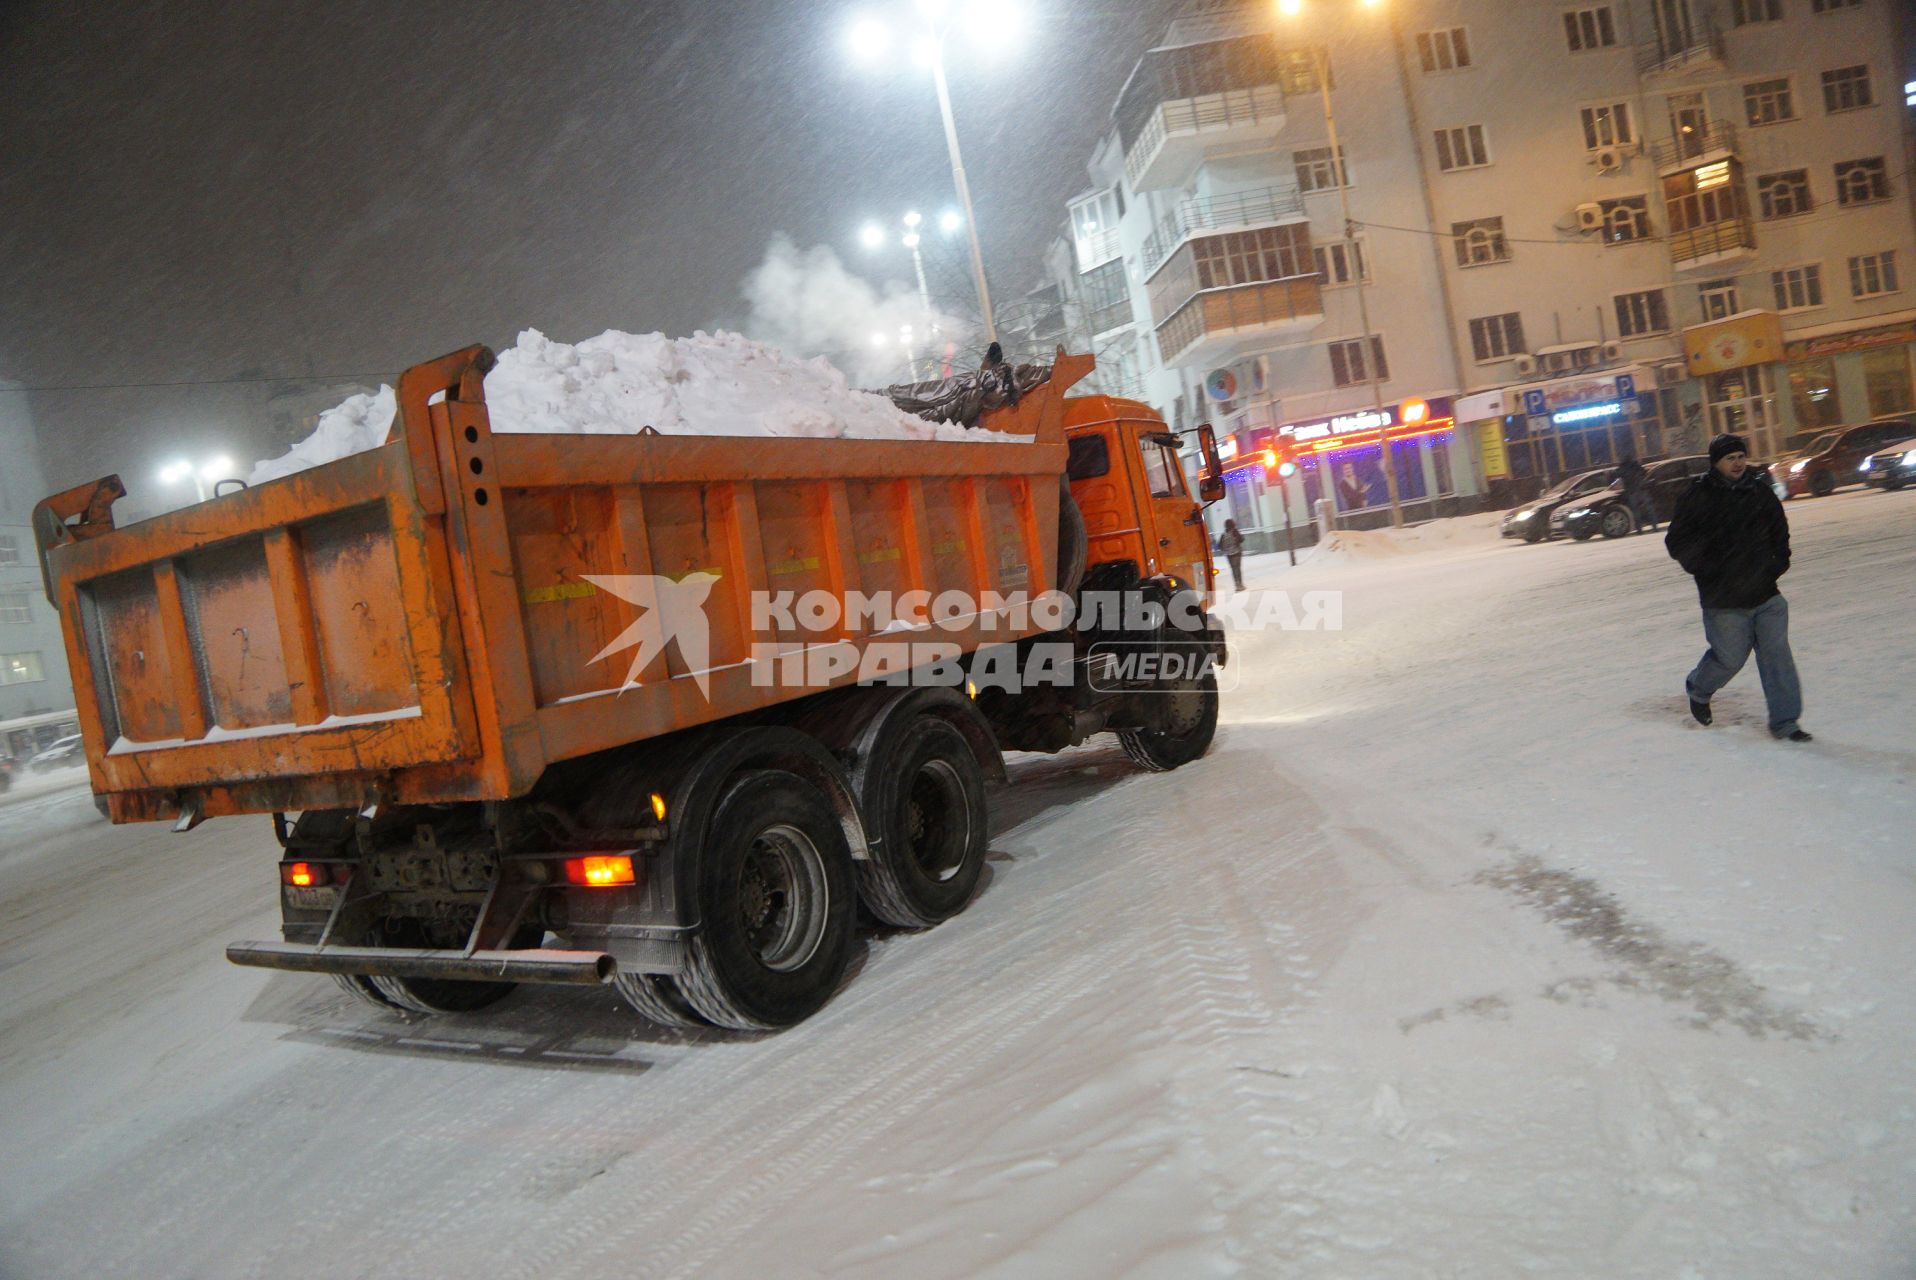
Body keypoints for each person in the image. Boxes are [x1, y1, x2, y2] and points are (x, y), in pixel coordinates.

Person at [1664, 433, 1810, 742]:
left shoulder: (1758, 491)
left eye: (1741, 456)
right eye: (1731, 458)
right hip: (1724, 598)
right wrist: (1708, 569)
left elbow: (1779, 530)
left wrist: (1776, 563)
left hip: (1765, 594)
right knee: (1729, 658)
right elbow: (1677, 540)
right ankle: (1699, 689)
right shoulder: (1699, 496)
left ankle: (1786, 724)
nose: (1738, 463)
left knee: (1777, 658)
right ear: (1716, 462)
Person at [1616, 453, 1654, 532]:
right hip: (1641, 489)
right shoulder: (1635, 465)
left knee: (1636, 511)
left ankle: (1639, 529)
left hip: (1631, 491)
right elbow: (1644, 472)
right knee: (1649, 509)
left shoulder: (1622, 467)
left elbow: (1616, 475)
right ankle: (1654, 526)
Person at [1216, 519, 1245, 592]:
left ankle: (1237, 584)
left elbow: (1219, 545)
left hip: (1229, 555)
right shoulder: (1235, 532)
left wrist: (1226, 549)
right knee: (1237, 569)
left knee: (1233, 569)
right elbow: (1241, 539)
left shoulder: (1223, 535)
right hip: (1237, 553)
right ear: (1233, 524)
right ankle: (1240, 585)